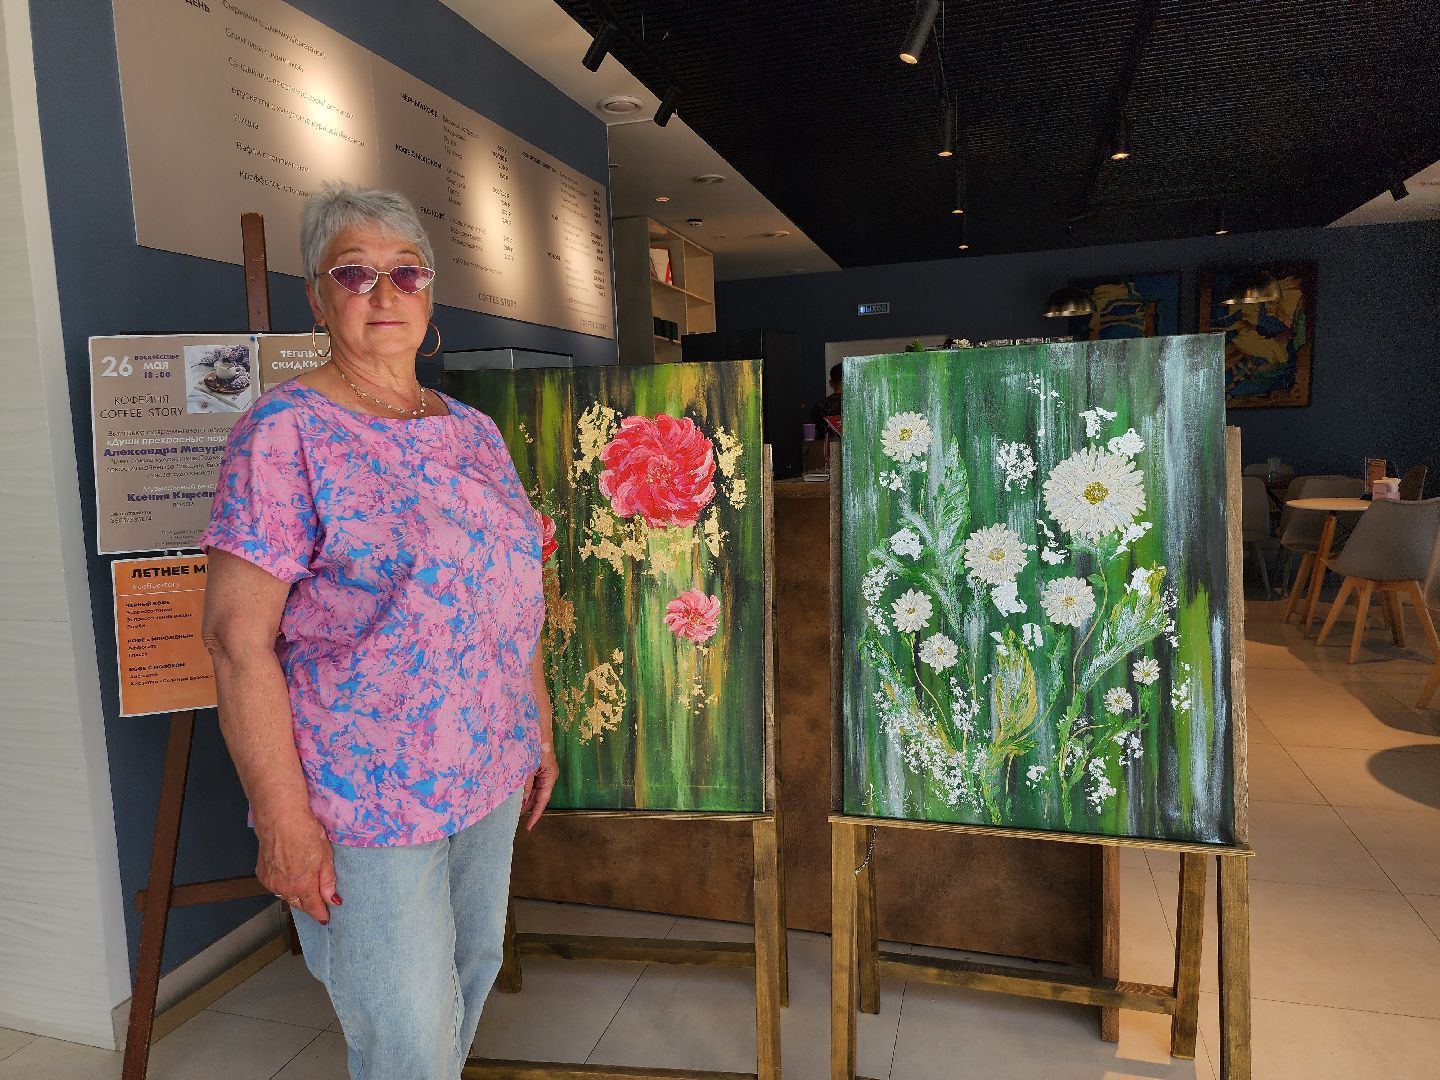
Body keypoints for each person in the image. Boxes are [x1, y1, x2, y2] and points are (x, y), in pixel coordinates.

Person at [199, 181, 558, 1080]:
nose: (384, 292)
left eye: (406, 272)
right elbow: (237, 643)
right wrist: (283, 817)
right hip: (364, 794)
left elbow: (513, 591)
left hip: (486, 762)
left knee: (469, 973)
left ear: (430, 294)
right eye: (355, 274)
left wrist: (535, 719)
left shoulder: (471, 430)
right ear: (319, 299)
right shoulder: (284, 433)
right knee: (407, 1035)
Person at [811, 362, 843, 433]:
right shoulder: (859, 405)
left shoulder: (820, 407)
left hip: (827, 443)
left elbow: (816, 434)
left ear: (831, 383)